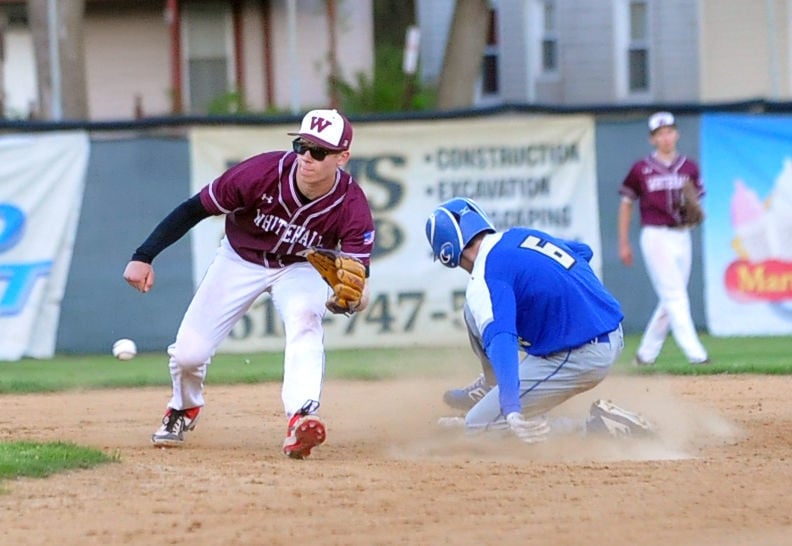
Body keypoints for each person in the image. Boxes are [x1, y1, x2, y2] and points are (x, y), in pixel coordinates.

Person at [123, 109, 375, 459]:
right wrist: (144, 254)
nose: (306, 157)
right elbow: (194, 209)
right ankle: (183, 407)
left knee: (306, 322)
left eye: (318, 152)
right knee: (188, 355)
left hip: (299, 268)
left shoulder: (352, 205)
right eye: (301, 145)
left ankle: (301, 416)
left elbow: (356, 282)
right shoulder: (262, 172)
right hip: (239, 258)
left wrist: (348, 299)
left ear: (342, 157)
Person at [426, 197, 653, 442]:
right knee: (474, 311)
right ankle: (493, 386)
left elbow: (502, 340)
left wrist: (511, 409)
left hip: (582, 354)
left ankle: (599, 427)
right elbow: (582, 252)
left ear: (447, 253)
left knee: (478, 427)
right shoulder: (519, 236)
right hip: (606, 331)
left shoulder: (485, 277)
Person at [618, 111, 709, 366]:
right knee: (676, 295)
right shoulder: (641, 169)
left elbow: (699, 202)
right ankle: (697, 355)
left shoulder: (689, 167)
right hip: (656, 235)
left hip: (682, 235)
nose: (665, 137)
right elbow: (626, 204)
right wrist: (624, 242)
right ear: (652, 139)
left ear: (676, 134)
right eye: (660, 134)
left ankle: (645, 356)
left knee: (672, 298)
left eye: (669, 131)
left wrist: (696, 208)